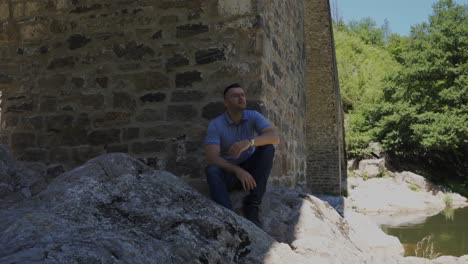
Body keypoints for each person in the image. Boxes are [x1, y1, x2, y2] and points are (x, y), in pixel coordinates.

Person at [205, 83, 280, 228]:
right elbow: (212, 157)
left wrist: (250, 142)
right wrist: (237, 170)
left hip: (251, 171)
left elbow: (274, 136)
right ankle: (227, 216)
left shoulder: (253, 116)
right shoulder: (216, 125)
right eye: (235, 96)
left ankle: (252, 205)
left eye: (243, 95)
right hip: (230, 174)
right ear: (226, 102)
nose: (241, 98)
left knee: (268, 148)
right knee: (212, 170)